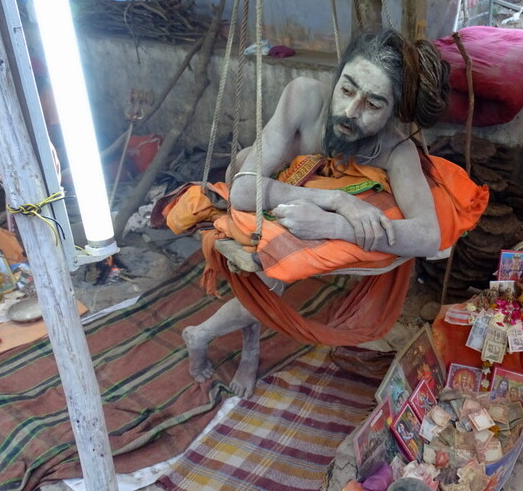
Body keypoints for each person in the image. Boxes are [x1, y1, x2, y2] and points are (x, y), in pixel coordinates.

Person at [182, 29, 452, 398]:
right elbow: (244, 191)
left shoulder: (395, 149)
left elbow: (428, 235)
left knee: (269, 280)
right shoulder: (305, 97)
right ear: (337, 76)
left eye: (373, 105)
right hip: (252, 185)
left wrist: (336, 226)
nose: (350, 111)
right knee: (266, 279)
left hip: (296, 203)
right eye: (347, 89)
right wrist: (337, 201)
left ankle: (247, 348)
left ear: (393, 112)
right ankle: (202, 335)